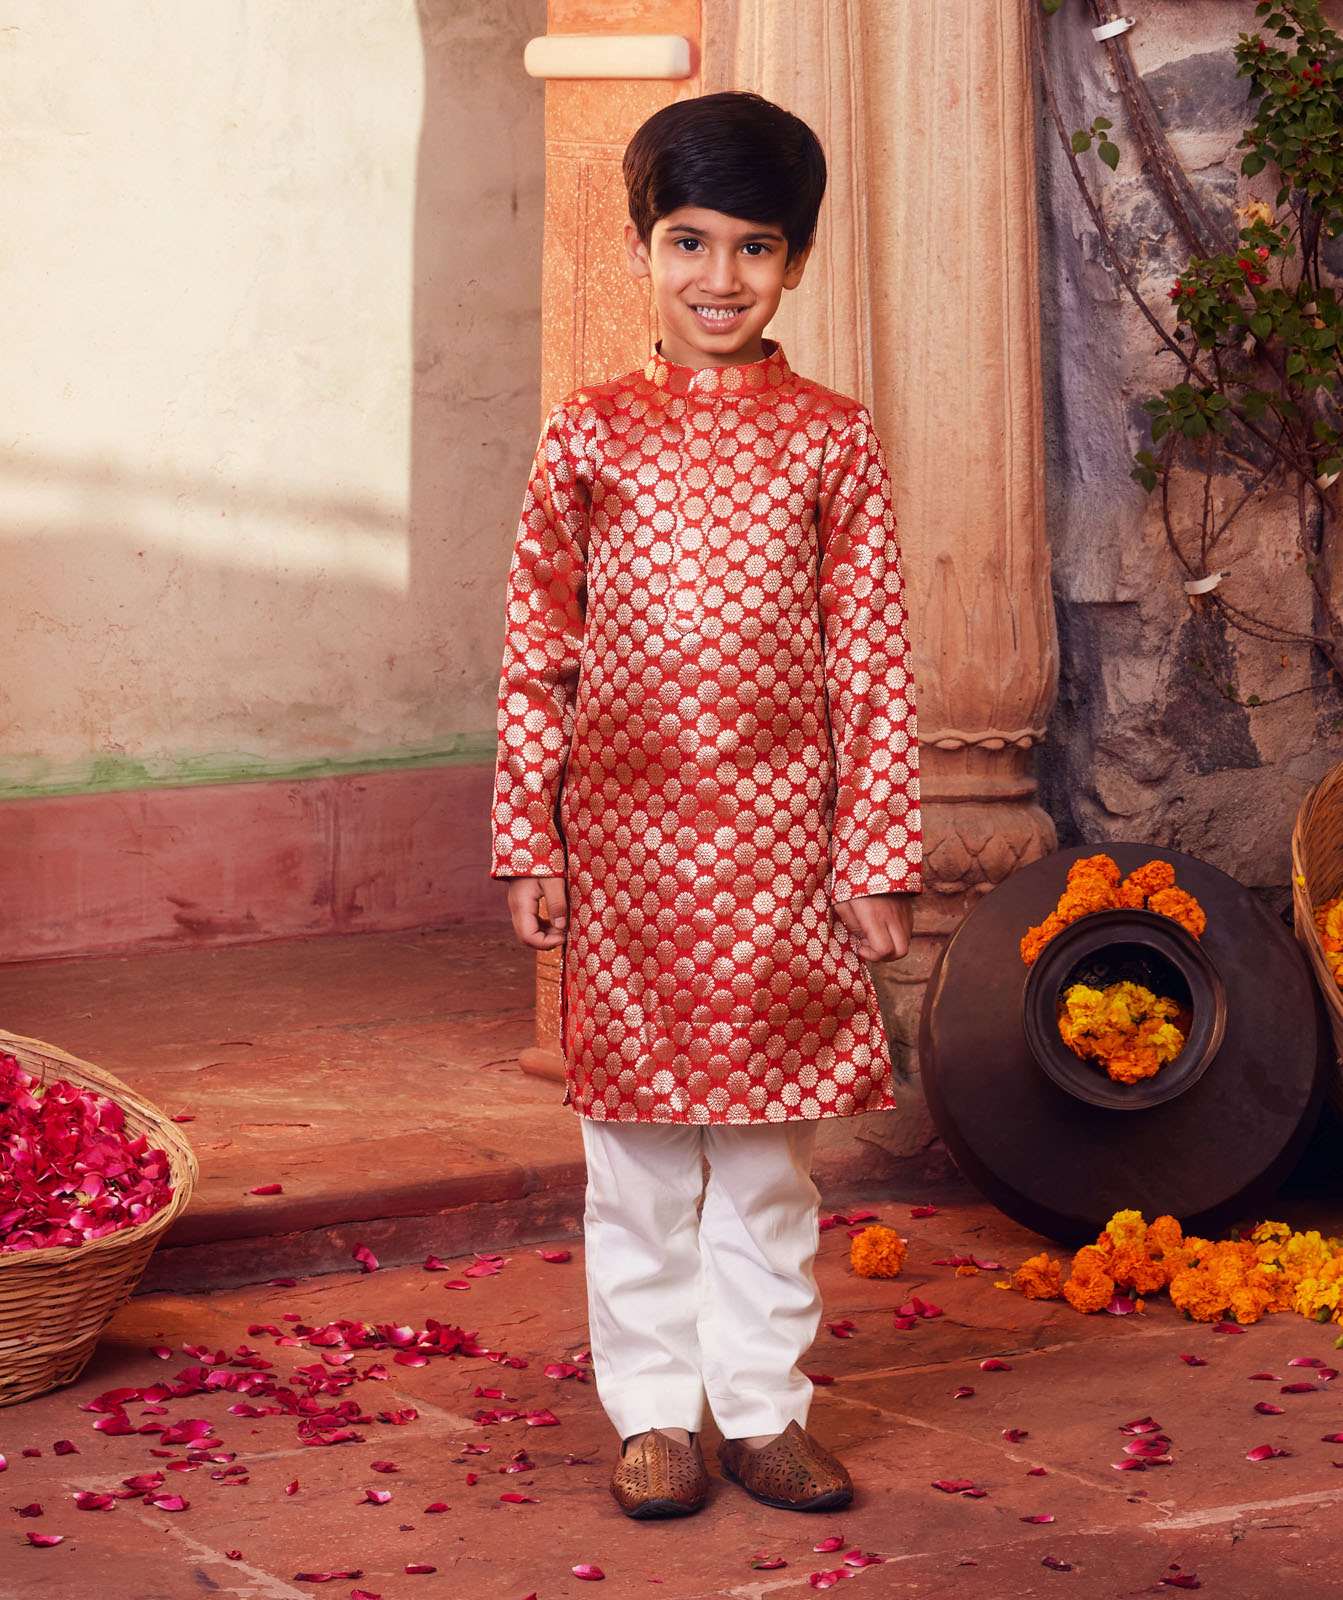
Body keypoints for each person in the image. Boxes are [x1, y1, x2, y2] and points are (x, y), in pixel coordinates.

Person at [492, 91, 921, 1520]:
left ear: (795, 264)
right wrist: (525, 833)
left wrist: (873, 858)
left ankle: (760, 1408)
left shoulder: (831, 443)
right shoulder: (589, 437)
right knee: (631, 1159)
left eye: (753, 247)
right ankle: (655, 1417)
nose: (719, 279)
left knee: (763, 1161)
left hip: (781, 862)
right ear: (640, 249)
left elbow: (869, 656)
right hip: (621, 863)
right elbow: (536, 645)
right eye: (689, 241)